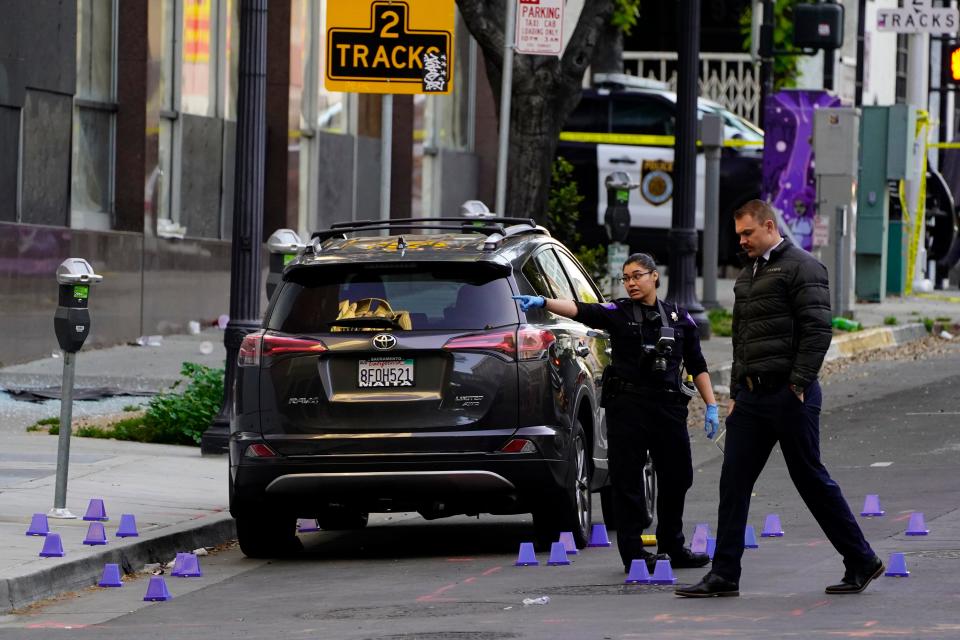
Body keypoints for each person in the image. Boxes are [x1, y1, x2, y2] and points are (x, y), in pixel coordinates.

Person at [676, 200, 882, 599]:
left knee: (811, 480)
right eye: (739, 235)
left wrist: (799, 384)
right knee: (733, 482)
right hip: (752, 399)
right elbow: (742, 341)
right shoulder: (748, 274)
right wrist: (736, 393)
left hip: (790, 396)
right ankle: (724, 575)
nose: (742, 241)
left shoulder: (803, 267)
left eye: (747, 233)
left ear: (769, 227)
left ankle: (861, 559)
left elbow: (818, 331)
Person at [513, 253, 719, 574]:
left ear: (654, 277)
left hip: (667, 408)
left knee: (678, 477)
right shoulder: (618, 312)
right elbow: (581, 310)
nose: (631, 283)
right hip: (629, 408)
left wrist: (712, 405)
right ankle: (634, 553)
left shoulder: (679, 318)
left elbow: (697, 364)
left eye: (637, 276)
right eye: (626, 278)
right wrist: (543, 301)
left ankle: (673, 545)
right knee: (627, 481)